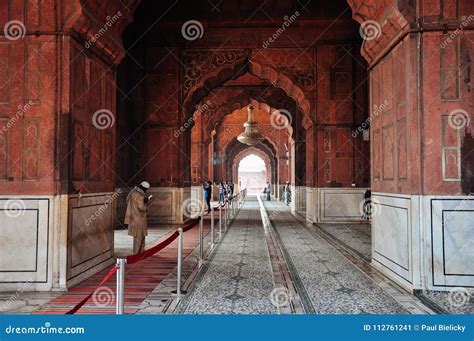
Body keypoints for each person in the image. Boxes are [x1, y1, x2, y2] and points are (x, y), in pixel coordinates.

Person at [124, 181, 153, 254]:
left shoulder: (133, 192)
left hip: (133, 218)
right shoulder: (140, 195)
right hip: (139, 220)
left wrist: (145, 199)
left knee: (139, 238)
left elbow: (127, 200)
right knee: (139, 239)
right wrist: (147, 201)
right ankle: (137, 254)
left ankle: (140, 253)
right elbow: (142, 208)